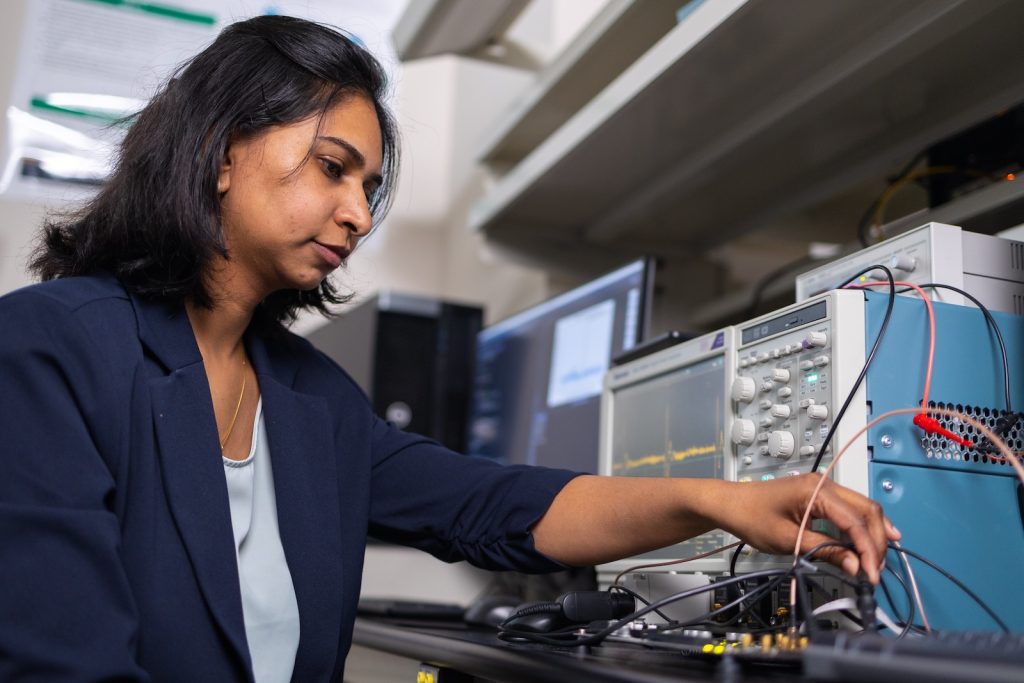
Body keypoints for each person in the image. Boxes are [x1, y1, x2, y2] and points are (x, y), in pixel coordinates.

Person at [0, 15, 898, 682]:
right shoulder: (51, 352)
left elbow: (500, 508)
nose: (357, 213)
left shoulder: (308, 399)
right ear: (219, 151)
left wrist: (721, 499)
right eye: (332, 167)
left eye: (370, 186)